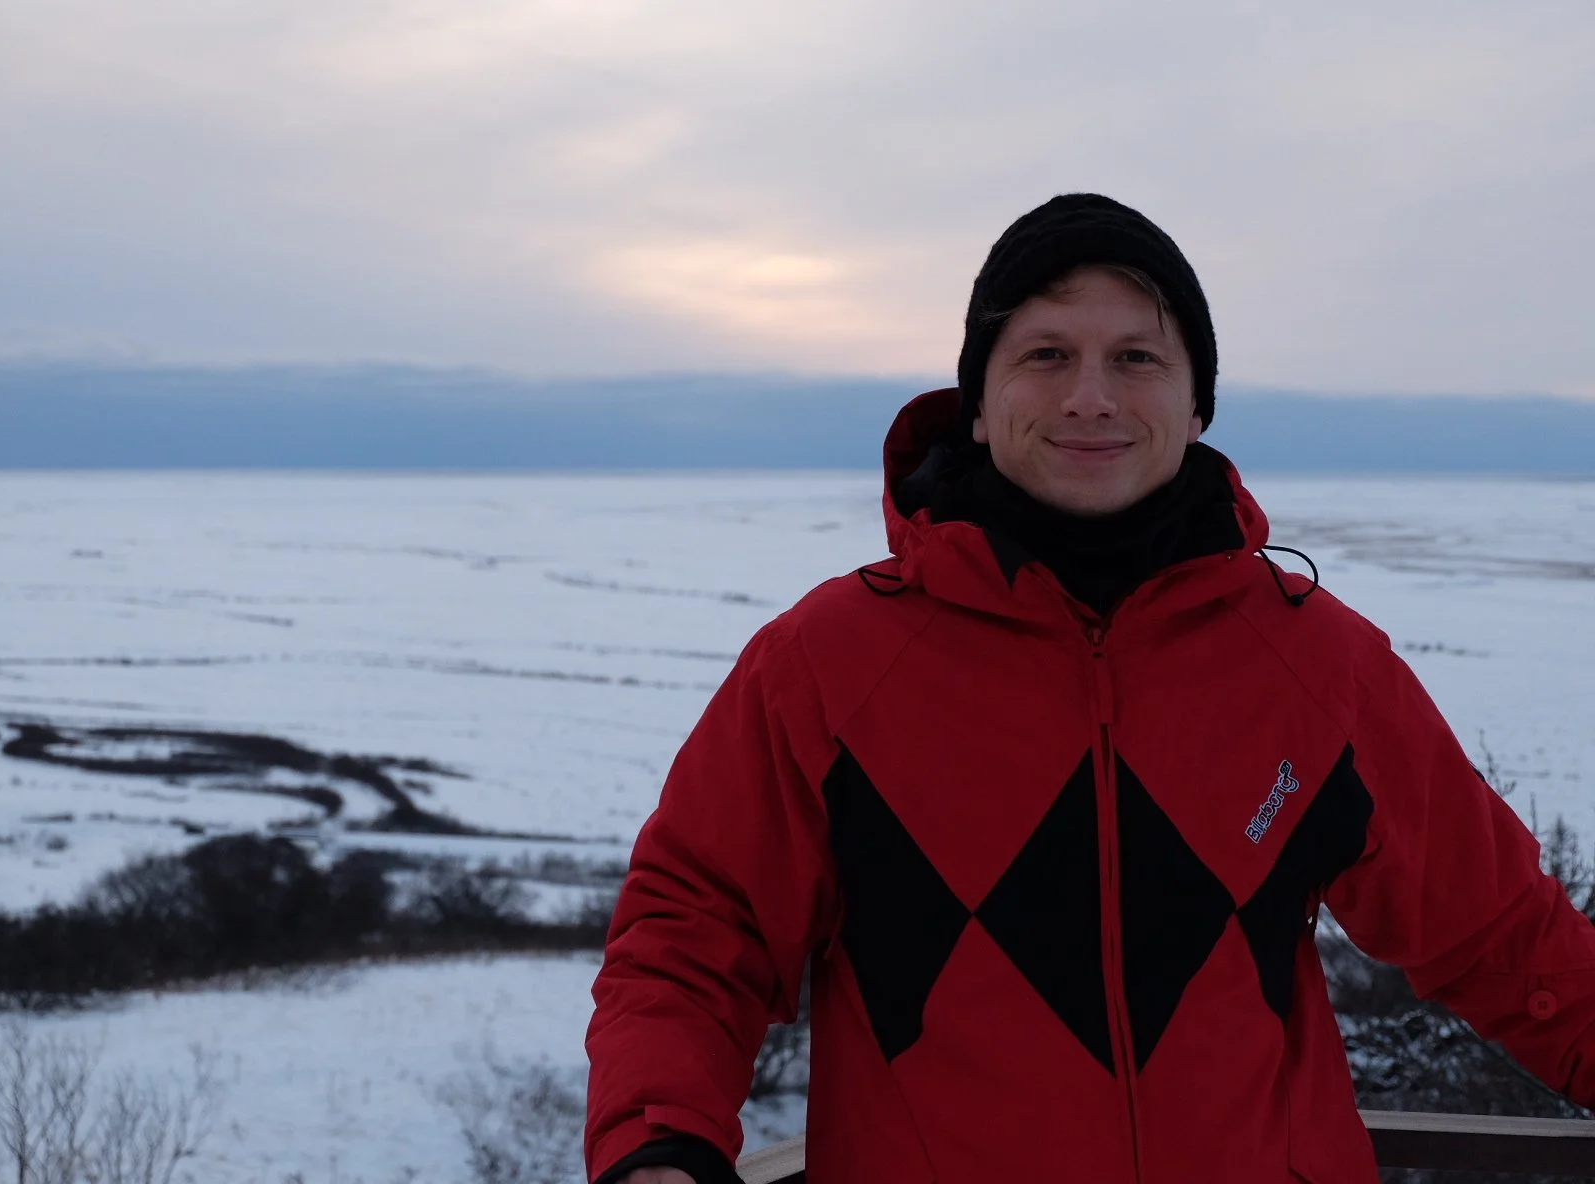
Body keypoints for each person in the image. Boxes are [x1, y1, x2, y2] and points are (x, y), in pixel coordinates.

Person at [583, 194, 1595, 1184]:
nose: (1091, 397)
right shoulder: (828, 664)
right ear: (980, 403)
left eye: (1137, 357)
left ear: (1196, 401)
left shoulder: (1316, 665)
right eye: (1046, 354)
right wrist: (656, 1144)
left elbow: (1504, 933)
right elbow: (691, 937)